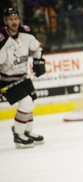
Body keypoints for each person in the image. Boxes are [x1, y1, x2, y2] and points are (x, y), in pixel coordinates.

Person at [0, 7, 46, 149]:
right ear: (5, 21)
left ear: (19, 19)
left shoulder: (26, 33)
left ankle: (27, 131)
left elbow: (37, 48)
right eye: (10, 19)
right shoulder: (2, 39)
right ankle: (18, 135)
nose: (14, 22)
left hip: (23, 77)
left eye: (15, 19)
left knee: (30, 102)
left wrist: (38, 61)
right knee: (25, 102)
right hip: (6, 80)